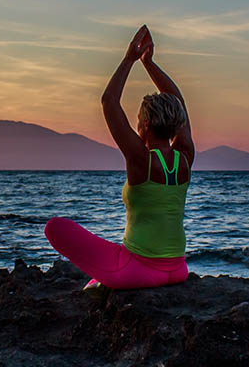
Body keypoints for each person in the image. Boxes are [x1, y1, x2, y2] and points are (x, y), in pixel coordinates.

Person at [44, 25, 194, 290]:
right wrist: (150, 64)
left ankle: (110, 278)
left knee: (55, 228)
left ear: (145, 125)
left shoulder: (142, 161)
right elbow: (178, 101)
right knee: (113, 259)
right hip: (178, 269)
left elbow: (109, 101)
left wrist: (130, 59)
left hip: (140, 271)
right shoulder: (185, 157)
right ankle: (107, 277)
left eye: (138, 121)